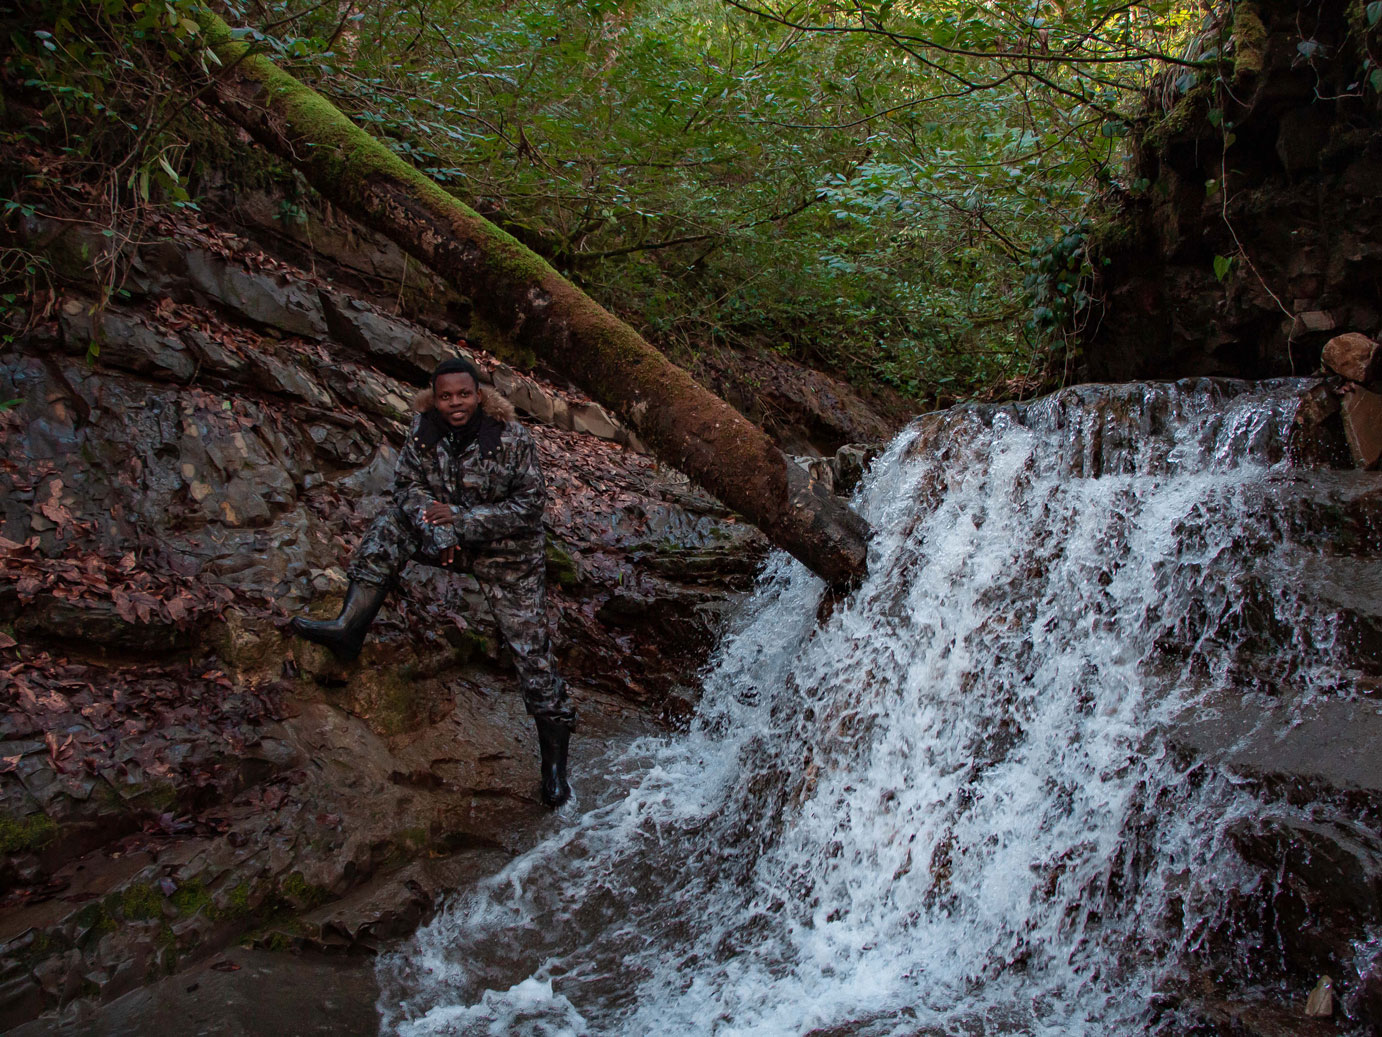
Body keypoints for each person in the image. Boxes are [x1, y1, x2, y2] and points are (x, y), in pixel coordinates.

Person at [290, 355, 574, 807]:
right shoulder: (423, 430)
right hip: (445, 538)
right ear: (434, 396)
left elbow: (529, 507)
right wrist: (439, 530)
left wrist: (460, 521)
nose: (455, 403)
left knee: (533, 657)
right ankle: (349, 628)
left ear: (479, 394)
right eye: (446, 396)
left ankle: (555, 770)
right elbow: (406, 488)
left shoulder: (512, 437)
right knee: (388, 526)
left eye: (464, 394)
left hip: (508, 556)